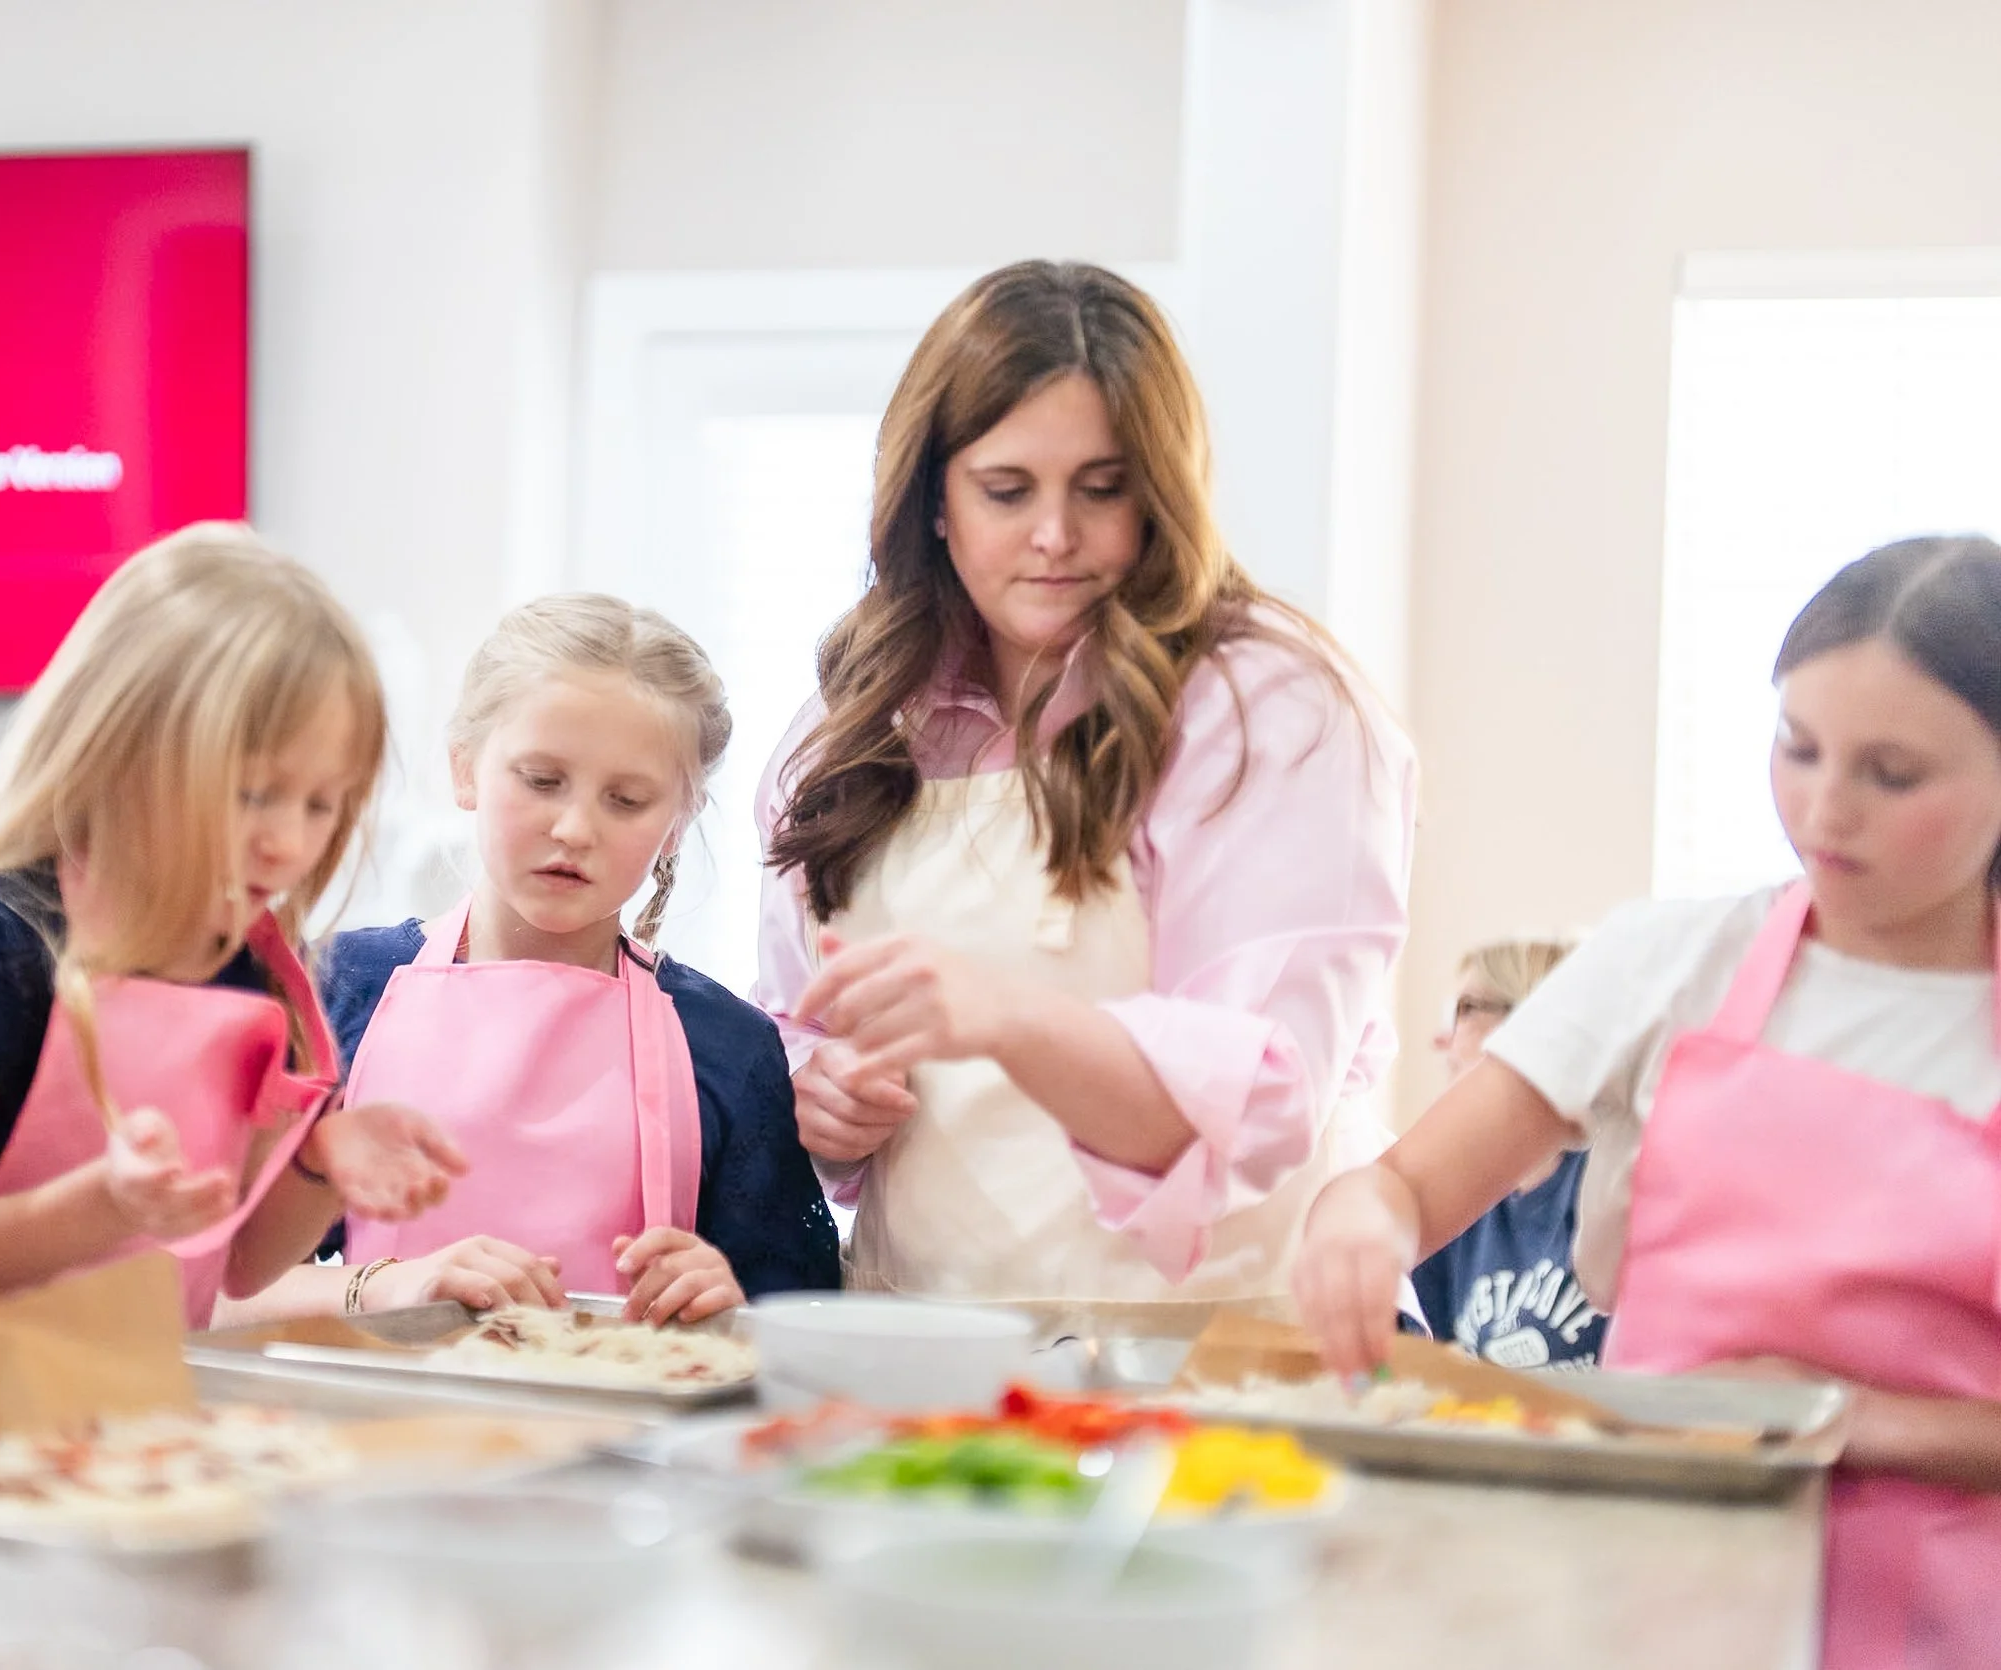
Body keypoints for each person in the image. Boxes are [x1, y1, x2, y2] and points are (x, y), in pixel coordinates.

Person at [1293, 536, 2001, 1668]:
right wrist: (1358, 1221)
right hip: (1648, 1583)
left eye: (1893, 774)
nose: (1823, 808)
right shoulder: (1672, 958)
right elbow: (1410, 1185)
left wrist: (1839, 1414)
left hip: (1943, 1623)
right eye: (1798, 748)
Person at [755, 260, 1416, 1302]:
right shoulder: (850, 731)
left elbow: (1257, 1097)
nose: (1055, 535)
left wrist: (1003, 1015)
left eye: (1102, 488)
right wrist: (818, 1095)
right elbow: (797, 1019)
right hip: (918, 1339)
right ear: (932, 501)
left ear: (1162, 494)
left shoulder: (1268, 712)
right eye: (1006, 490)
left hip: (1197, 1353)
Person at [0, 526, 462, 1361]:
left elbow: (237, 1264)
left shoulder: (255, 969)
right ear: (126, 745)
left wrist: (318, 1167)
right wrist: (101, 1209)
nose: (289, 844)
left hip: (132, 1423)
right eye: (253, 794)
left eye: (320, 805)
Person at [299, 594, 838, 1323]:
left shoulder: (730, 1047)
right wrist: (386, 1284)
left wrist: (731, 1308)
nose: (576, 827)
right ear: (465, 770)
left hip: (625, 1437)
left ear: (678, 821)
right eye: (542, 781)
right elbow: (207, 1288)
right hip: (367, 1432)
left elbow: (803, 1328)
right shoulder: (338, 988)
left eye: (626, 799)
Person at [1403, 936, 1604, 1369]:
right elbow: (1413, 1366)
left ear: (1526, 1019)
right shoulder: (1453, 1201)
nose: (1441, 1040)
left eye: (1462, 1011)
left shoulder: (1613, 1176)